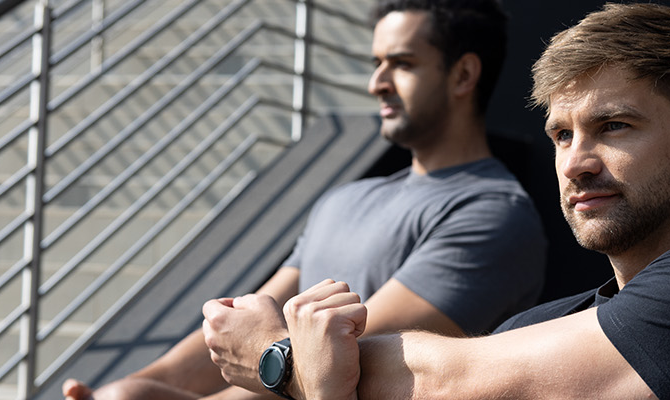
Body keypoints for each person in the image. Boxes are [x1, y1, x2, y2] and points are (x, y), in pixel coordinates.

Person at [200, 3, 670, 399]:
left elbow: (446, 384)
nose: (576, 161)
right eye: (561, 135)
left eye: (614, 126)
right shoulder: (528, 333)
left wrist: (278, 355)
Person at [63, 0, 546, 398]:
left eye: (401, 64)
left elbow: (335, 367)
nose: (377, 82)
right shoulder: (345, 198)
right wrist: (138, 384)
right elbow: (247, 331)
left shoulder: (492, 214)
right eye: (376, 63)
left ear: (463, 75)